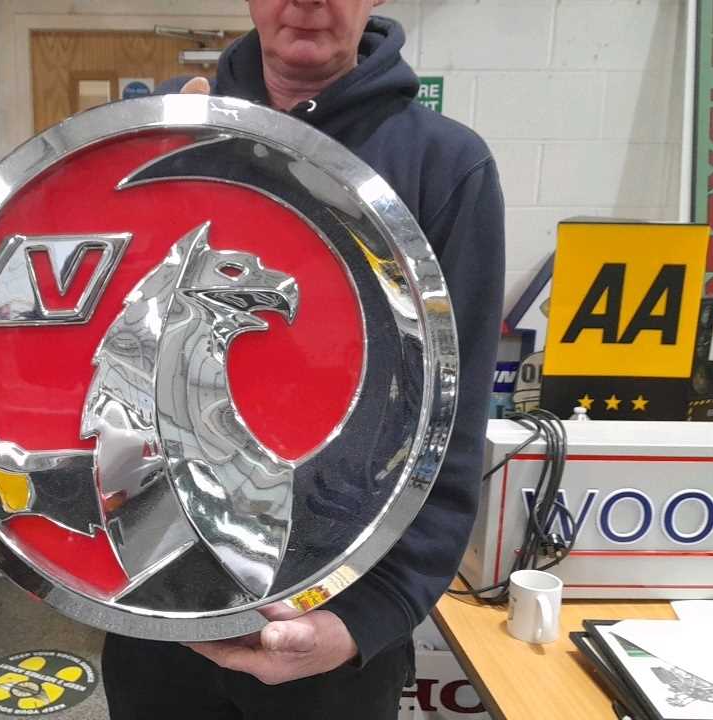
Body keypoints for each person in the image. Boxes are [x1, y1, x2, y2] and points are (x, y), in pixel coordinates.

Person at [101, 1, 505, 717]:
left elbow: (455, 420)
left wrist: (369, 616)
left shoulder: (443, 165)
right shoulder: (159, 138)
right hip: (157, 624)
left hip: (335, 633)